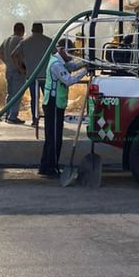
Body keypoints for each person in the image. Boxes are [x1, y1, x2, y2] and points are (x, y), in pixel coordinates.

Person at [37, 38, 87, 178]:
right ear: (62, 50)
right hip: (53, 104)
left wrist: (84, 62)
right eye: (70, 52)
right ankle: (50, 168)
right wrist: (85, 71)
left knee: (52, 136)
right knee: (54, 138)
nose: (71, 55)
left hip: (56, 103)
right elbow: (69, 80)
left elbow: (71, 66)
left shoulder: (60, 62)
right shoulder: (56, 65)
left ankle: (45, 166)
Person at [11, 22, 53, 127]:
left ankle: (35, 120)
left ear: (32, 30)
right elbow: (56, 54)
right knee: (47, 97)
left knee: (34, 98)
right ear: (42, 30)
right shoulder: (49, 41)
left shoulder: (25, 42)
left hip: (32, 75)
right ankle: (49, 118)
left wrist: (21, 69)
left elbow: (13, 55)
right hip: (46, 75)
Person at [0, 22, 26, 124]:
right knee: (17, 94)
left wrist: (6, 61)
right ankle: (13, 116)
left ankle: (7, 114)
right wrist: (20, 67)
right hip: (18, 71)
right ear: (22, 31)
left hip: (8, 70)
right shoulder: (21, 40)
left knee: (10, 93)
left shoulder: (7, 40)